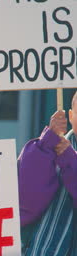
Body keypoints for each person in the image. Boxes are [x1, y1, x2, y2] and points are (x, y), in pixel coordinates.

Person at [18, 91, 77, 255]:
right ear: (70, 116)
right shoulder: (48, 147)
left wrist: (70, 160)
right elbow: (26, 198)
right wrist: (46, 143)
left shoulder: (66, 153)